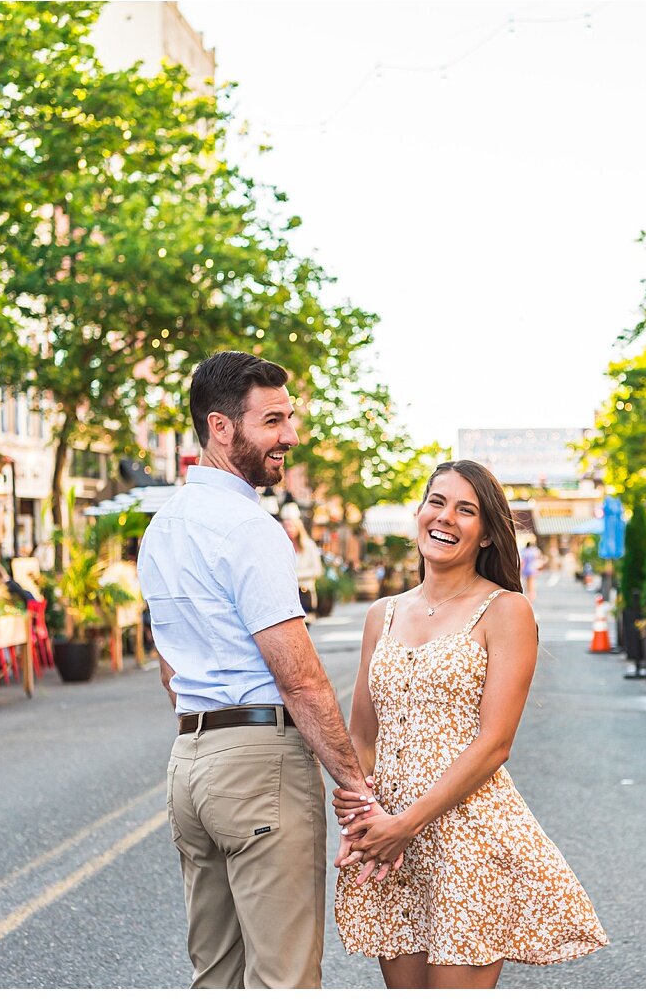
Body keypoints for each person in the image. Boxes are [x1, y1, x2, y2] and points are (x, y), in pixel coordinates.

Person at [137, 350, 380, 988]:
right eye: (273, 421)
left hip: (189, 763)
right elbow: (299, 678)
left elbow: (169, 668)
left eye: (289, 417)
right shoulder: (250, 527)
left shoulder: (162, 528)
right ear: (222, 428)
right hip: (258, 761)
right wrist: (355, 790)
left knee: (214, 976)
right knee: (284, 980)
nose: (290, 436)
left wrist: (208, 743)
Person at [332, 460, 607, 987]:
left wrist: (405, 824)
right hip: (393, 841)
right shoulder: (382, 614)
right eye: (437, 502)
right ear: (420, 512)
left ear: (486, 534)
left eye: (467, 510)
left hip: (467, 839)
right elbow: (363, 734)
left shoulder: (506, 611)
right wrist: (362, 810)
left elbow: (495, 743)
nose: (446, 518)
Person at [281, 503, 324, 616]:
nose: (288, 529)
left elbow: (317, 570)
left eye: (290, 525)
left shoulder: (308, 546)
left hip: (305, 592)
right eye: (285, 526)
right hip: (287, 595)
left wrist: (294, 575)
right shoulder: (281, 547)